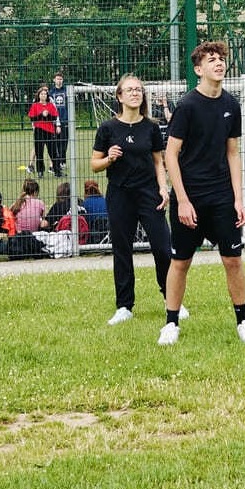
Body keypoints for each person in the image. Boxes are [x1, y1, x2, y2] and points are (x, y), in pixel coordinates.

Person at [161, 41, 245, 346]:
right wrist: (183, 200)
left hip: (221, 198)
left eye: (221, 59)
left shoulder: (231, 105)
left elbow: (232, 154)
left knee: (233, 260)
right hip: (189, 198)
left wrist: (238, 199)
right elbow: (170, 155)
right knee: (180, 262)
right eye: (212, 60)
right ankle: (170, 324)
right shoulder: (187, 106)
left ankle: (244, 321)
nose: (219, 63)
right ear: (198, 69)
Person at [91, 74, 181, 327]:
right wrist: (109, 158)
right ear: (119, 96)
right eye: (129, 90)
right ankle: (124, 306)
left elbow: (158, 161)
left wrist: (163, 189)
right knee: (122, 250)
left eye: (138, 90)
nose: (135, 93)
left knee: (163, 248)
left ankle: (171, 300)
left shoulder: (151, 127)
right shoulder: (108, 129)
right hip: (120, 194)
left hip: (149, 194)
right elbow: (94, 164)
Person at [28, 85, 62, 178]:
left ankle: (57, 171)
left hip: (50, 131)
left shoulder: (50, 105)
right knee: (39, 152)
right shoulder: (35, 105)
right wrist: (41, 115)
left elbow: (54, 117)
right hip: (39, 131)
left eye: (45, 94)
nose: (43, 96)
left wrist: (47, 115)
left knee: (53, 152)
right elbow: (32, 118)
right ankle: (40, 171)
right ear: (39, 95)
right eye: (42, 94)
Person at [48, 72, 70, 175]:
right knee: (55, 142)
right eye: (57, 79)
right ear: (54, 80)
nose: (59, 81)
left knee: (64, 142)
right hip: (54, 122)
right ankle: (56, 162)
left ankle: (62, 160)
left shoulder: (66, 91)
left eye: (61, 79)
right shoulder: (51, 92)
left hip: (65, 120)